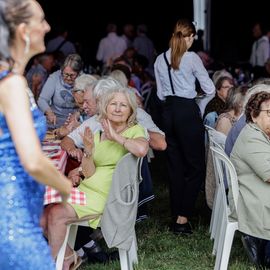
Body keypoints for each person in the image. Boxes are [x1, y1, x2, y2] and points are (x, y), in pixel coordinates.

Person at [41, 87, 149, 269]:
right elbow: (89, 172)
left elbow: (141, 150)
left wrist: (116, 137)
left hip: (109, 197)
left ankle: (50, 264)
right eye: (113, 104)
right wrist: (89, 151)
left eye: (123, 105)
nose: (117, 108)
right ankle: (68, 256)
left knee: (56, 214)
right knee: (41, 213)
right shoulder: (99, 133)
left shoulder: (135, 130)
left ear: (130, 110)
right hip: (86, 191)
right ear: (105, 108)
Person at [0, 0, 72, 269]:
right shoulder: (12, 83)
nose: (47, 27)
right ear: (22, 31)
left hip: (20, 208)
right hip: (12, 213)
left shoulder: (10, 78)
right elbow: (32, 160)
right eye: (41, 20)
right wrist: (64, 186)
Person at [154, 18, 215, 234]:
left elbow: (160, 94)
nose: (193, 40)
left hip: (168, 112)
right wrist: (199, 106)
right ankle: (183, 217)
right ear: (188, 37)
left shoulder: (160, 59)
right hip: (187, 112)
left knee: (175, 165)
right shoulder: (191, 58)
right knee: (196, 166)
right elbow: (210, 89)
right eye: (193, 37)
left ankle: (176, 212)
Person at [230, 90, 270, 268]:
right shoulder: (252, 138)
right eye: (269, 113)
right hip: (256, 201)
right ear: (254, 115)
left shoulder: (259, 133)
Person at [37, 53, 83, 129]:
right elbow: (42, 100)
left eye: (72, 75)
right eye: (65, 74)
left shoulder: (83, 79)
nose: (68, 78)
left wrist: (78, 114)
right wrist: (49, 113)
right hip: (55, 120)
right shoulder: (54, 77)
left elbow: (88, 103)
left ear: (79, 73)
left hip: (76, 121)